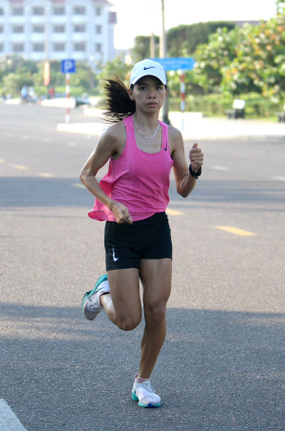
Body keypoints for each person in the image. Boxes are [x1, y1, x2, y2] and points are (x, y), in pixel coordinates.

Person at [79, 59, 204, 408]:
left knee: (157, 309)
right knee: (128, 320)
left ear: (165, 93)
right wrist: (111, 204)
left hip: (156, 229)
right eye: (144, 88)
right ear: (133, 93)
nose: (151, 94)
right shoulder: (117, 134)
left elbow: (183, 188)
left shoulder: (172, 136)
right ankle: (102, 292)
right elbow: (86, 174)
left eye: (157, 88)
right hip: (122, 231)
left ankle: (143, 382)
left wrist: (195, 169)